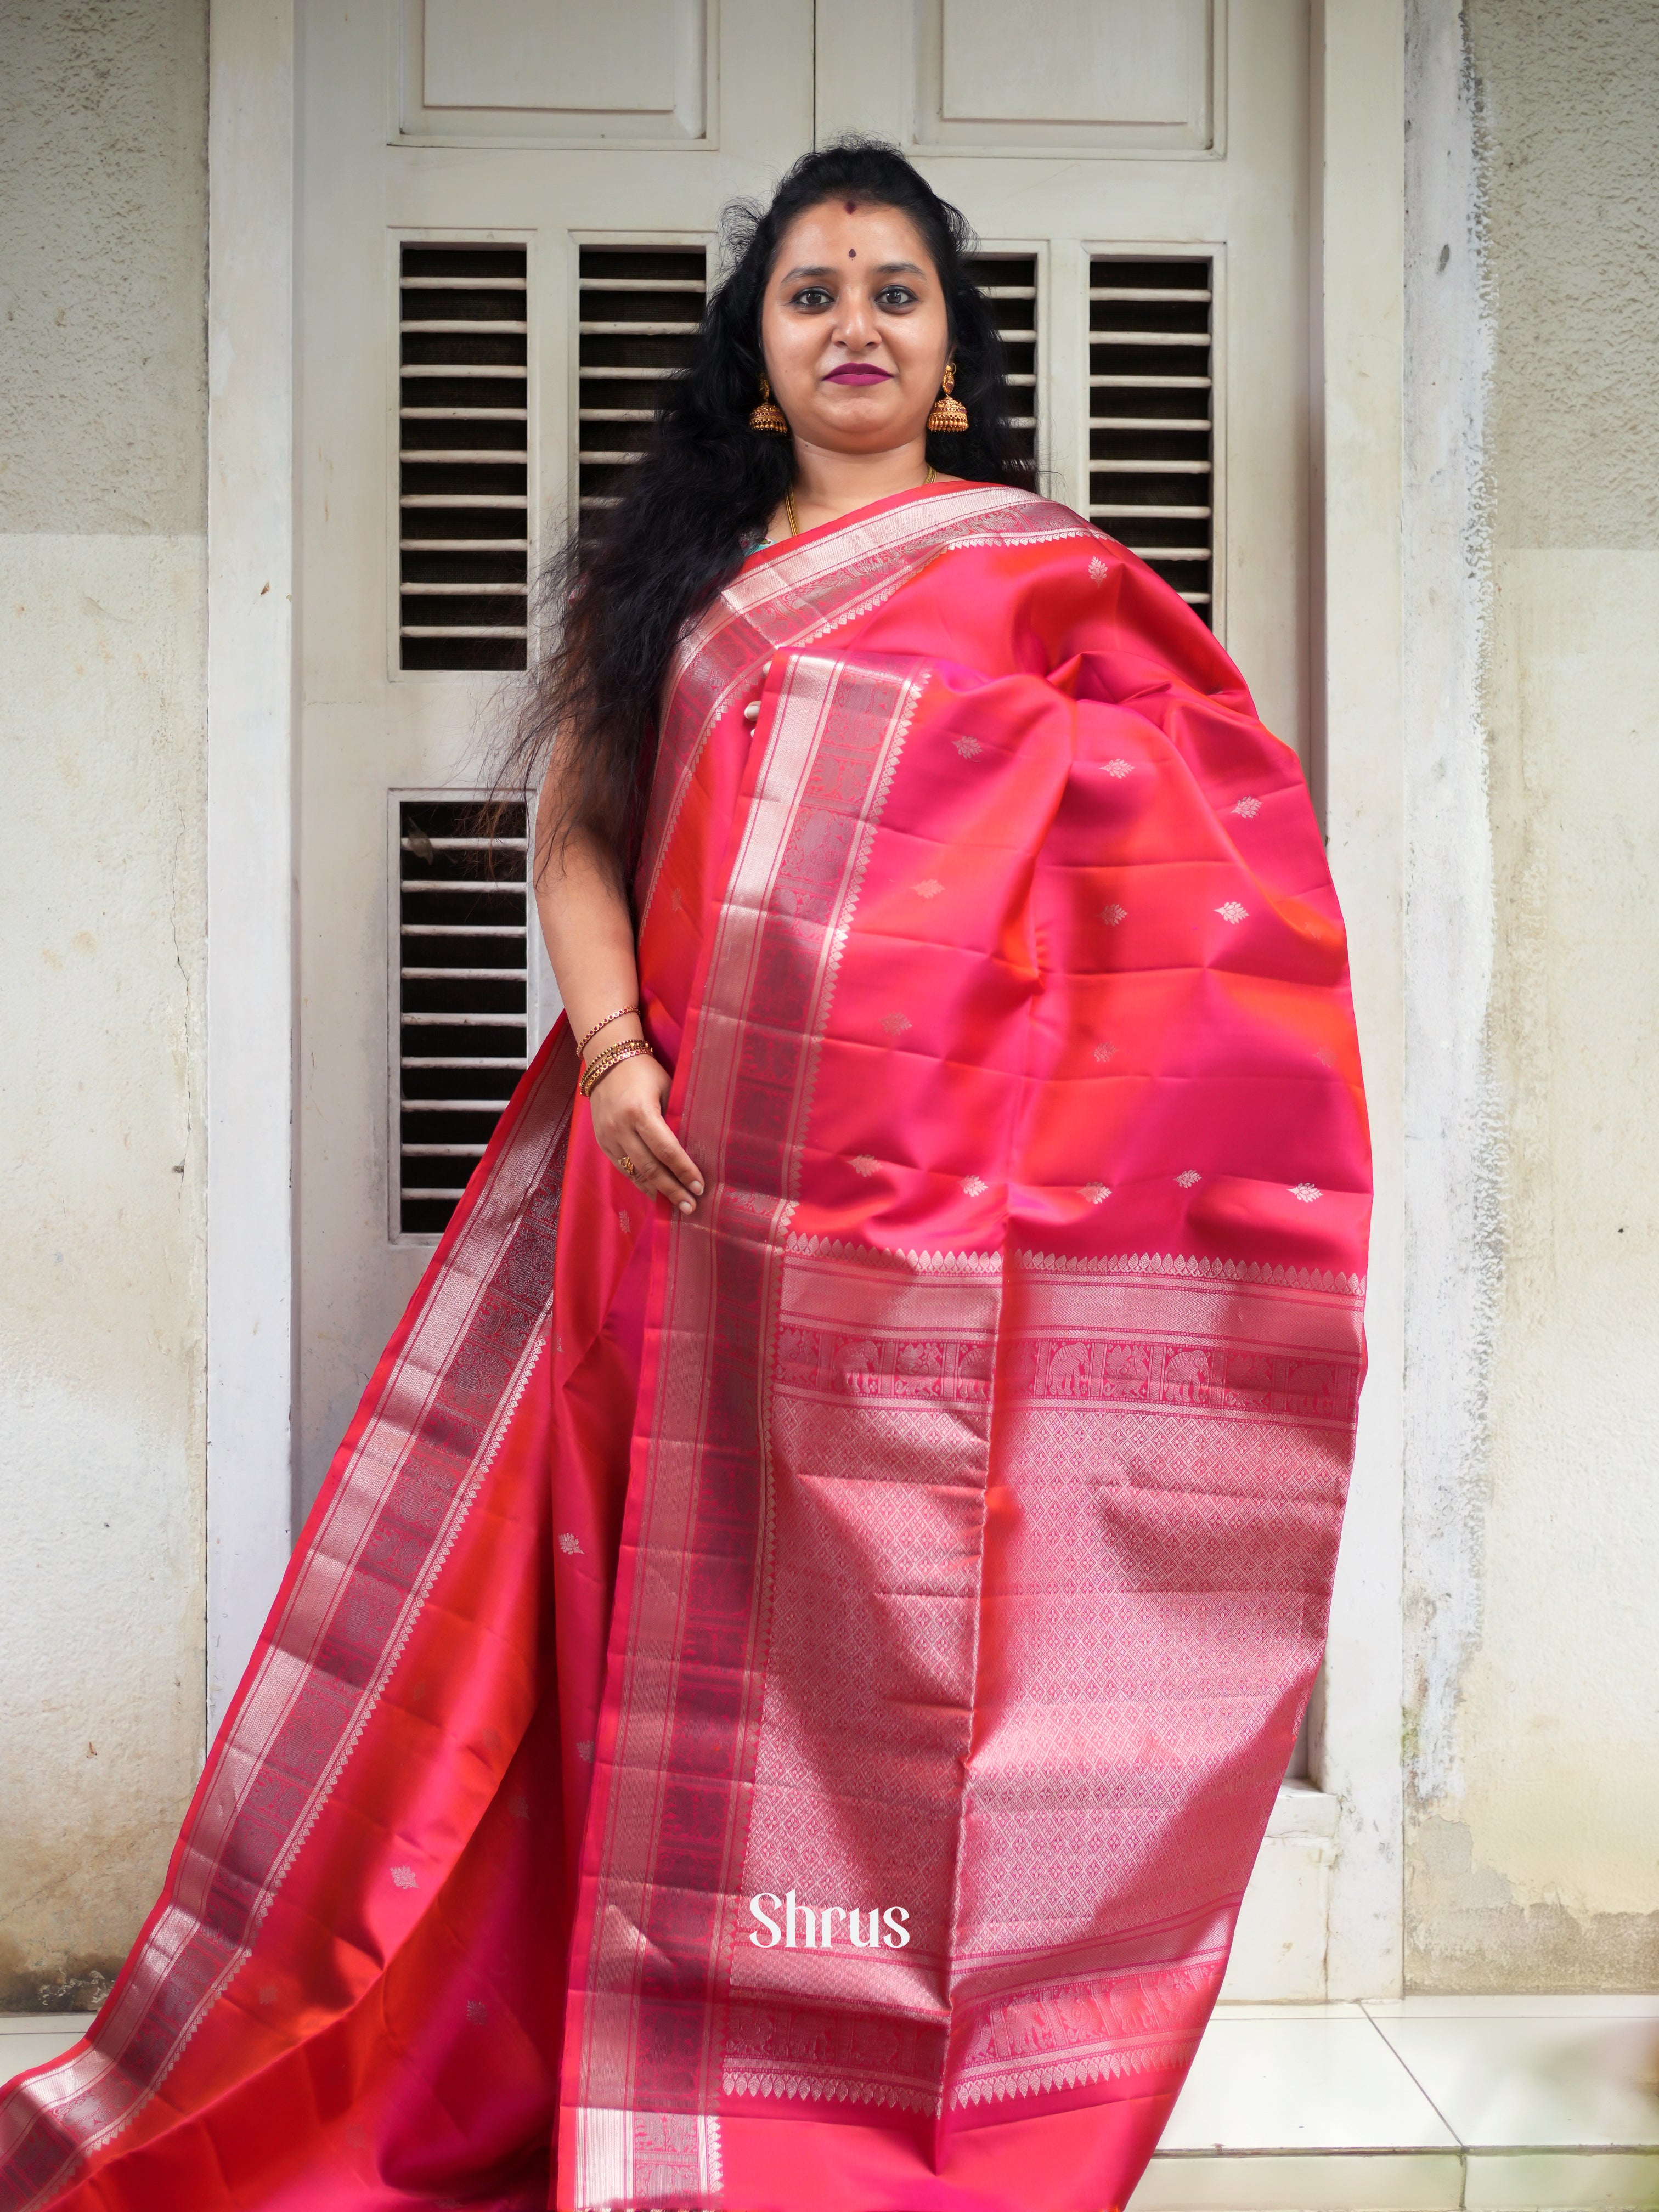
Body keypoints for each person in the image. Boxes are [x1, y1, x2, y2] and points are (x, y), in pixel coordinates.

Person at [0, 139, 1370, 2212]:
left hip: (919, 1256)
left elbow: (1193, 898)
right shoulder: (693, 604)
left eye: (895, 294)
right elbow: (583, 844)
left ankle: (833, 2116)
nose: (851, 327)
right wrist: (623, 1050)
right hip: (674, 1203)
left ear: (955, 364)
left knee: (893, 1663)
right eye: (810, 294)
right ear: (754, 362)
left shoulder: (1047, 583)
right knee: (590, 1644)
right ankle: (565, 2082)